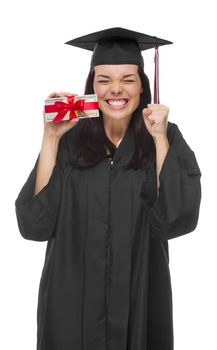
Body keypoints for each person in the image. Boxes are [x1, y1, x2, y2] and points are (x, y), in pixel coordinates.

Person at [15, 27, 202, 350]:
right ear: (92, 86)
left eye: (128, 79)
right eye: (104, 80)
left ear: (142, 85)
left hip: (140, 299)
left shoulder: (166, 136)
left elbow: (176, 220)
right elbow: (34, 224)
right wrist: (50, 138)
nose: (116, 90)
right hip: (70, 308)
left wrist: (158, 139)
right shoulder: (69, 140)